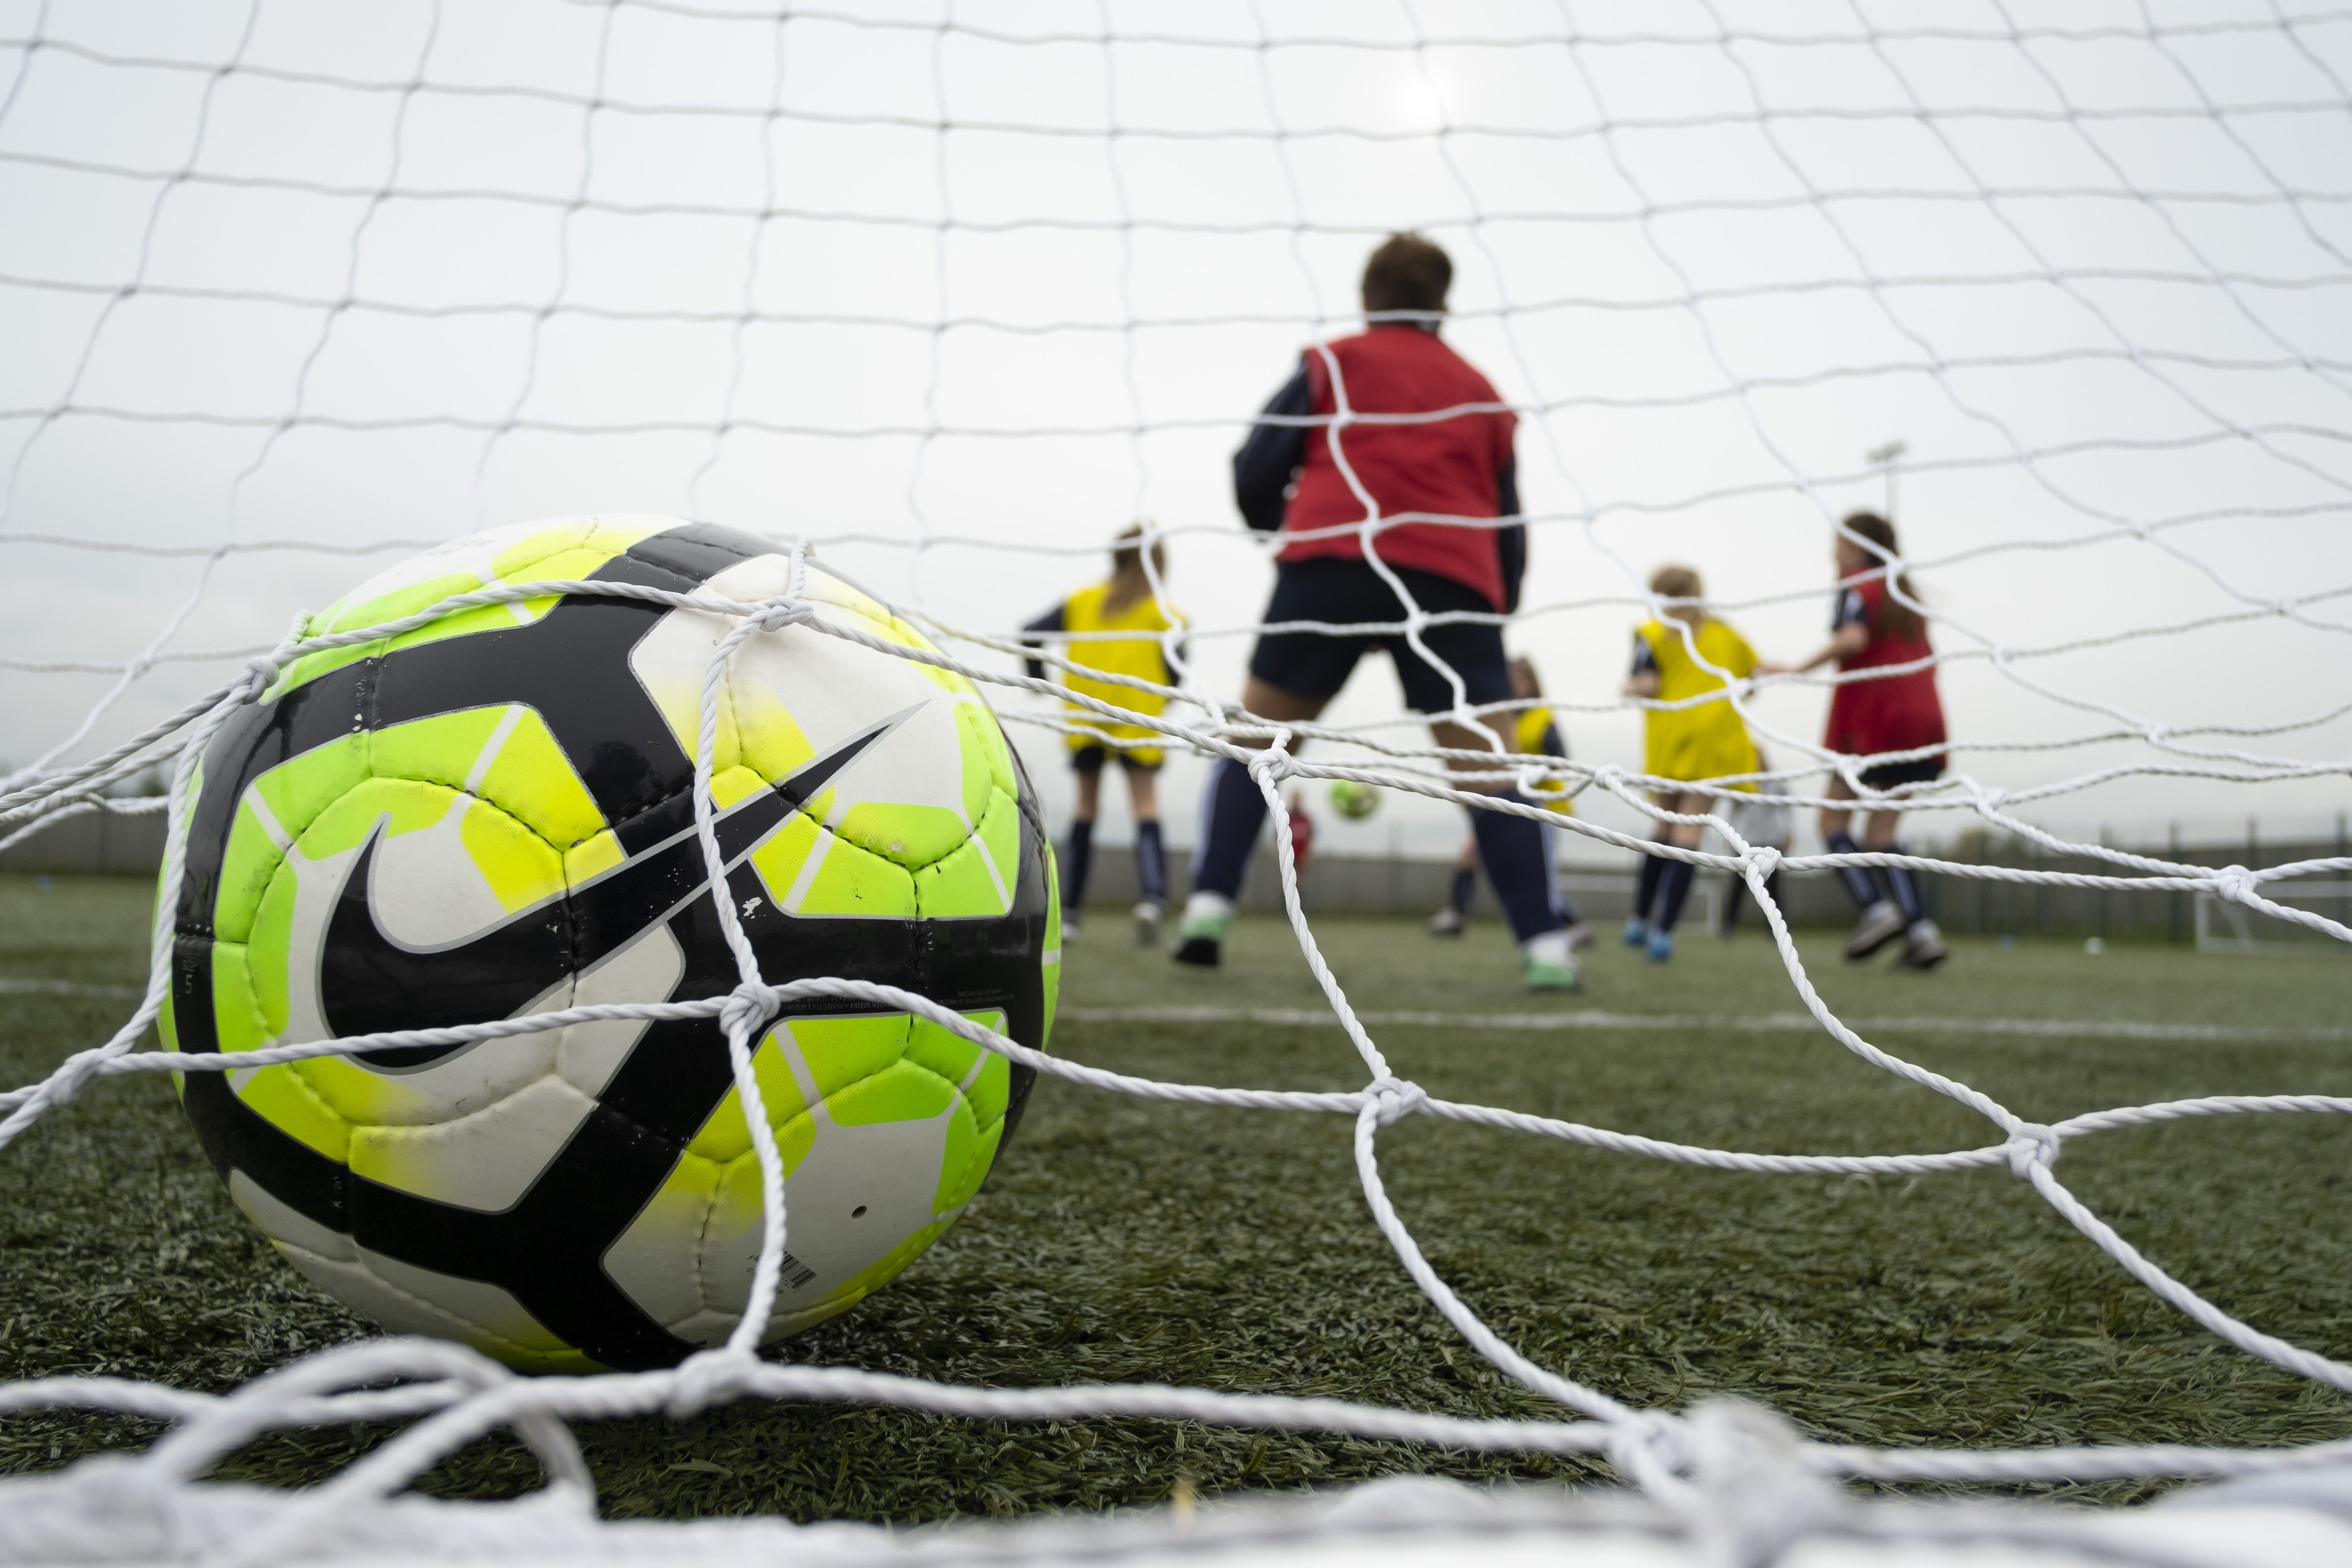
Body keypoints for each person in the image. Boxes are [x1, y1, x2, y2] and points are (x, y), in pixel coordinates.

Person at [1177, 232, 1580, 990]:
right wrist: (1497, 604)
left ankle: (1206, 908)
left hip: (1333, 559)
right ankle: (1546, 949)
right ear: (1444, 302)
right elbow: (1507, 518)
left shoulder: (1335, 359)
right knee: (1488, 769)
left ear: (1367, 297)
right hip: (1451, 578)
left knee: (1254, 741)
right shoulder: (1484, 393)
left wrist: (1273, 520)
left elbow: (1258, 460)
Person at [1785, 512, 1949, 969]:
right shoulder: (1905, 593)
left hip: (1875, 720)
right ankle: (1921, 930)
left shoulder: (1859, 582)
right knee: (1882, 834)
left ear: (1856, 548)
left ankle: (1878, 910)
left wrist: (1796, 669)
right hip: (1922, 721)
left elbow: (1853, 638)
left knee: (1831, 825)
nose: (1831, 553)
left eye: (1836, 543)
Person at [1022, 525, 1185, 946]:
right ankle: (1152, 899)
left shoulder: (1082, 601)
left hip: (1086, 717)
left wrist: (1038, 681)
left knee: (1085, 809)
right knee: (1145, 806)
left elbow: (1030, 632)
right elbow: (1180, 670)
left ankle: (1071, 913)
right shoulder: (1166, 614)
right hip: (1139, 719)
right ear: (1156, 563)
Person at [1619, 564, 1761, 963]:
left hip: (1675, 735)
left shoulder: (1653, 632)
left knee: (1663, 826)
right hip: (1719, 739)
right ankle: (1664, 934)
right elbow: (1753, 676)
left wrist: (1628, 687)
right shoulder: (1726, 633)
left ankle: (1639, 919)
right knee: (1690, 833)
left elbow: (1646, 682)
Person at [1428, 655, 1595, 948]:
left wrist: (1528, 775)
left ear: (1528, 683)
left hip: (1544, 809)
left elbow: (1558, 759)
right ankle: (1455, 914)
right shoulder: (1500, 720)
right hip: (1507, 805)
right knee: (1470, 855)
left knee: (1534, 876)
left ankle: (1573, 925)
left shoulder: (1542, 718)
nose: (1505, 686)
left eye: (1513, 680)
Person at [1719, 748, 1792, 938]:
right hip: (1745, 843)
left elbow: (1788, 807)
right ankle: (1729, 926)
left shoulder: (1775, 783)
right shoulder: (1742, 781)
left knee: (1774, 889)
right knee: (1737, 887)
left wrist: (1788, 832)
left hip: (1771, 842)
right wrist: (1728, 836)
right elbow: (1732, 811)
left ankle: (1775, 928)